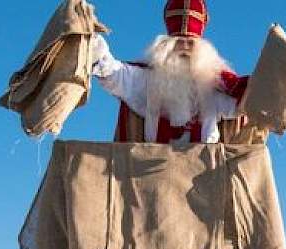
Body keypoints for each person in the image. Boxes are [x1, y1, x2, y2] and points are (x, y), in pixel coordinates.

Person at [88, 0, 250, 144]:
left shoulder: (211, 84)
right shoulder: (148, 78)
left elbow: (243, 105)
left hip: (204, 168)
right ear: (166, 47)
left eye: (191, 43)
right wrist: (92, 43)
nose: (185, 47)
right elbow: (116, 74)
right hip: (154, 171)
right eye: (179, 42)